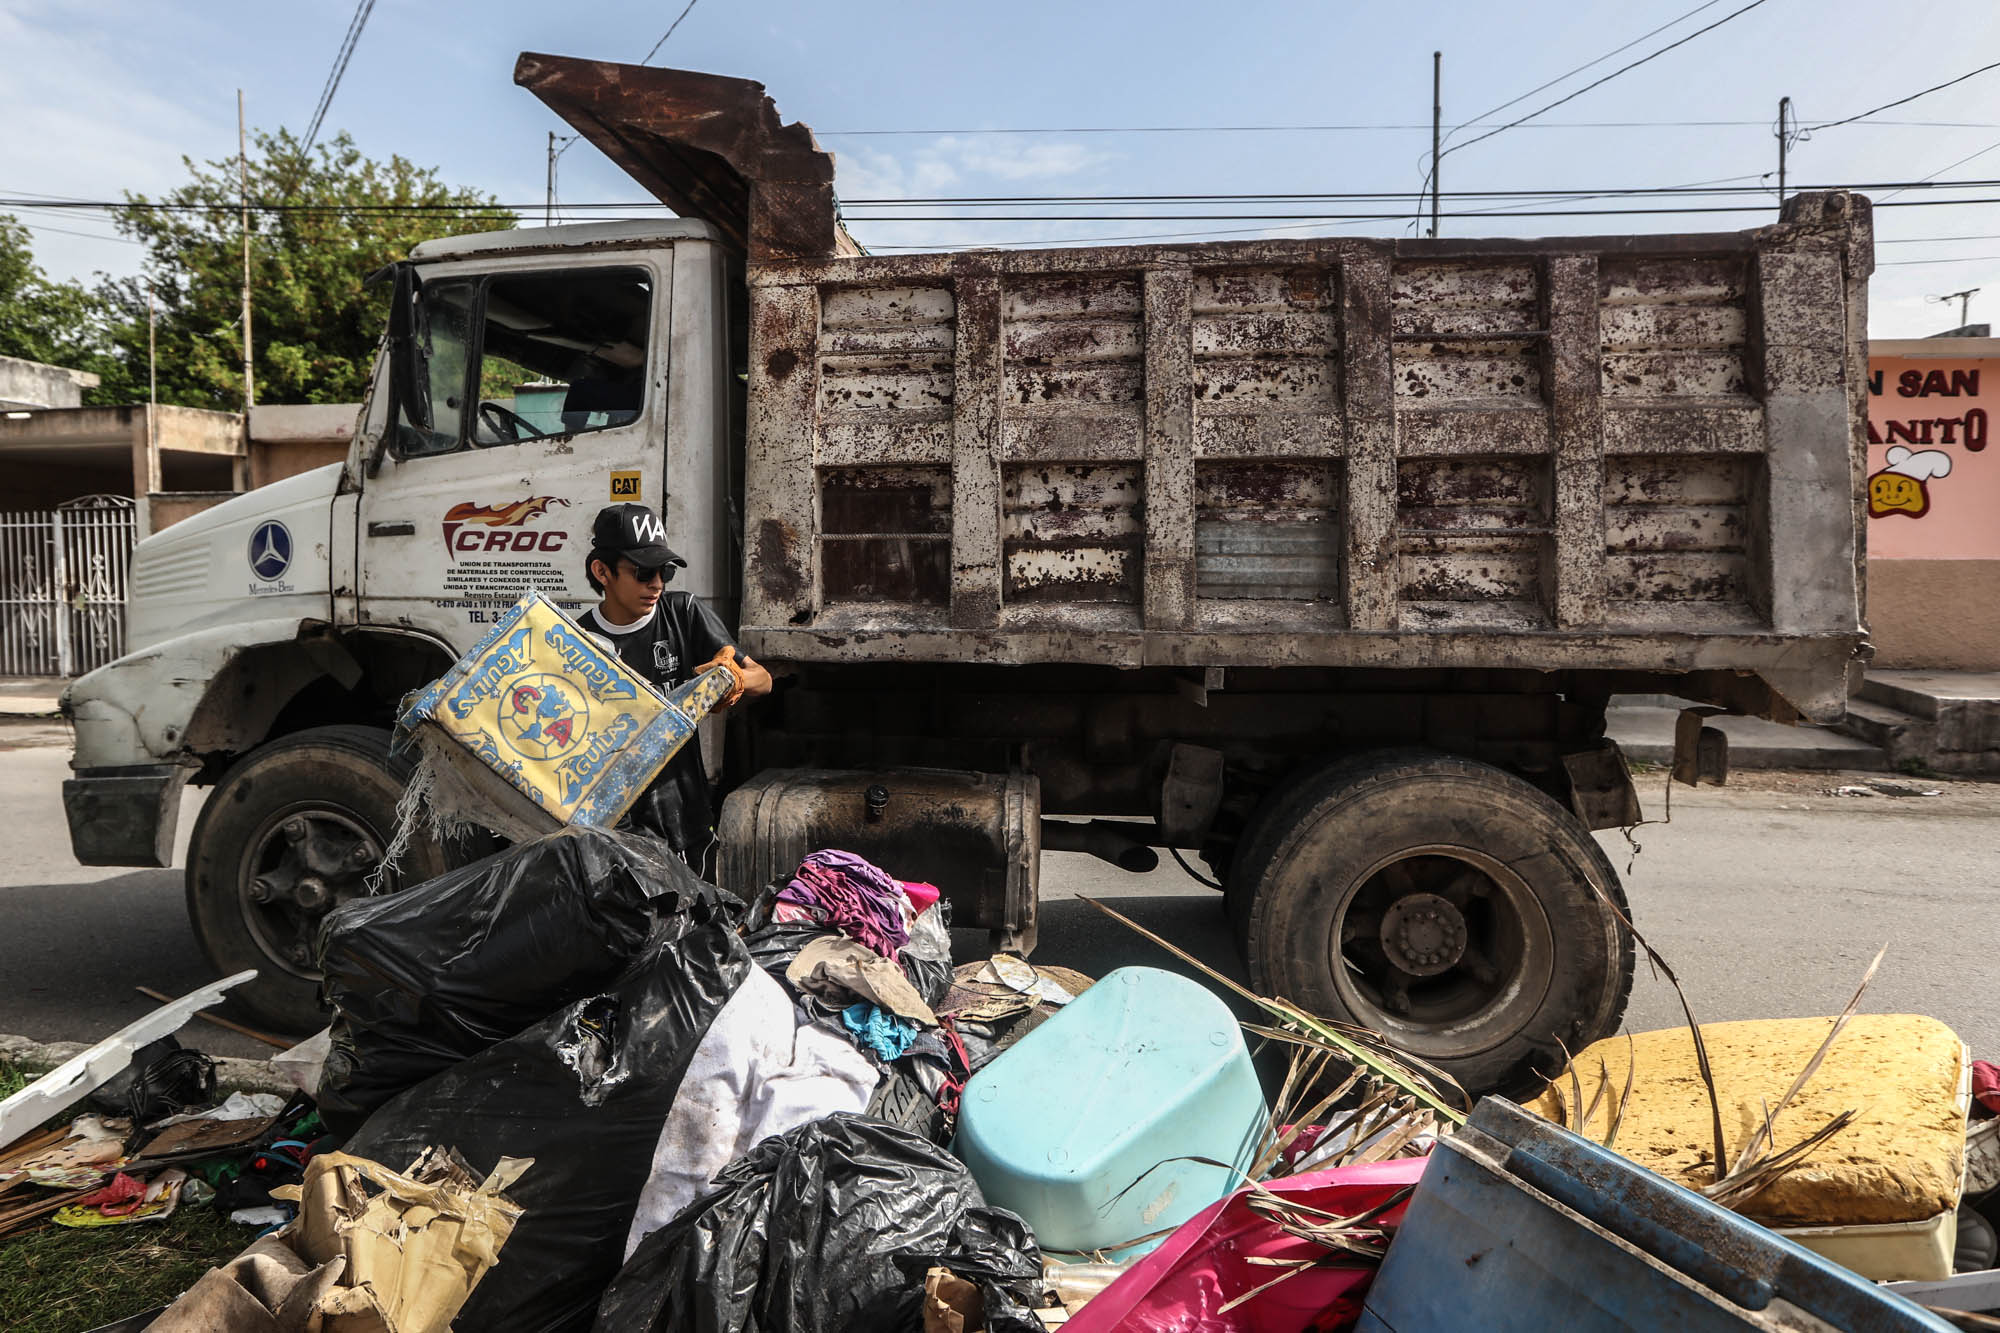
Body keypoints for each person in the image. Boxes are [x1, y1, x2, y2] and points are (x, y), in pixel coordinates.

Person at [579, 502, 772, 871]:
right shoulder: (578, 642)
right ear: (601, 571)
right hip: (619, 832)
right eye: (643, 572)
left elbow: (764, 680)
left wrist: (731, 679)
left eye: (664, 571)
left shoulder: (683, 614)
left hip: (688, 814)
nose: (657, 584)